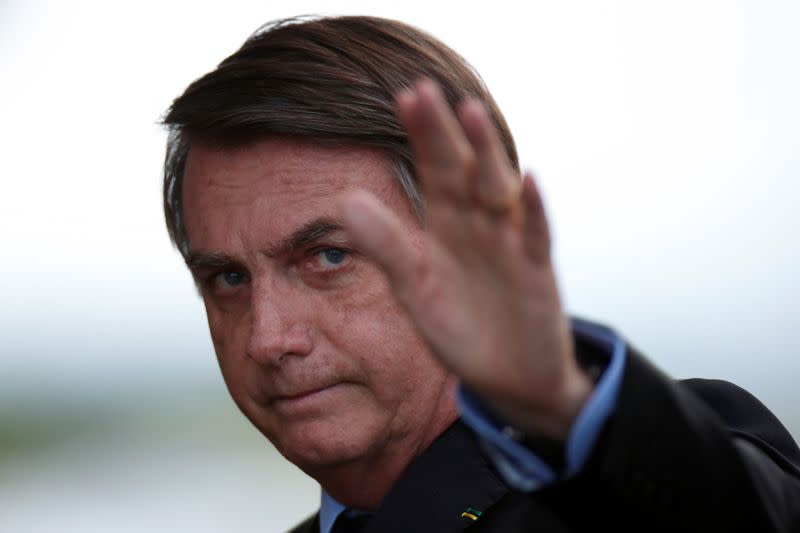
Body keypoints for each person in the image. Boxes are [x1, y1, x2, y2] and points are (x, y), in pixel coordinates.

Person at [161, 15, 800, 532]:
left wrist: (561, 405)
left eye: (329, 257)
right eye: (228, 280)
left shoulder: (637, 481)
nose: (267, 339)